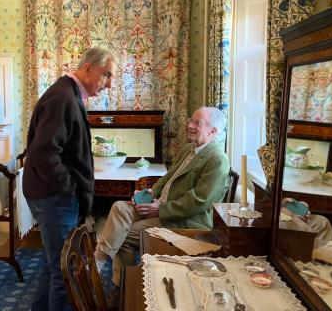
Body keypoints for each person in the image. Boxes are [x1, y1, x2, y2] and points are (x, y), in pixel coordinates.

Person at [94, 107, 230, 286]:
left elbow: (200, 201)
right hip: (161, 206)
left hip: (186, 222)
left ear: (213, 131)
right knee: (119, 206)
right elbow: (167, 178)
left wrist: (160, 209)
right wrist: (149, 194)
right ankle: (101, 258)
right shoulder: (188, 149)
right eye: (190, 120)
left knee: (123, 236)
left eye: (197, 123)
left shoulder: (217, 159)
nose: (189, 125)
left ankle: (124, 285)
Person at [23, 47, 115, 311]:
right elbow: (42, 152)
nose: (108, 84)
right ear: (87, 67)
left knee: (53, 264)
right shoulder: (63, 97)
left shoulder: (68, 93)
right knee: (65, 270)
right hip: (54, 197)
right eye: (106, 75)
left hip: (54, 196)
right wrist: (68, 189)